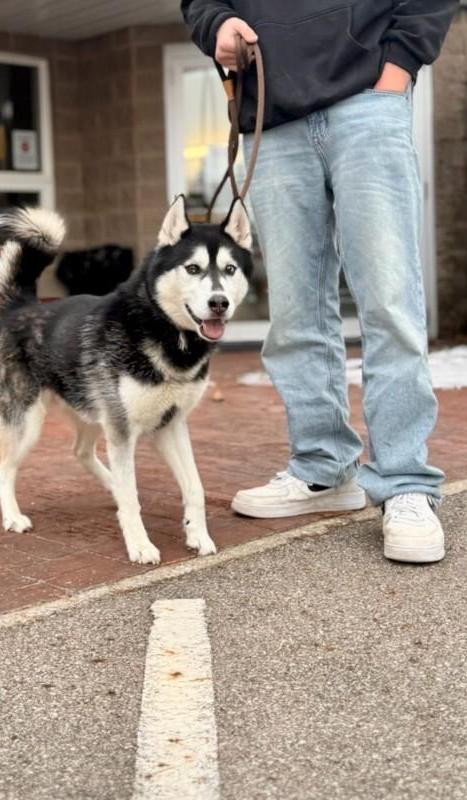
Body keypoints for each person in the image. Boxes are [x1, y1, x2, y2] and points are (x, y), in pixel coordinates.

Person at [181, 0, 459, 563]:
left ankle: (405, 482)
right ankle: (323, 470)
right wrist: (215, 25)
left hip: (368, 102)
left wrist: (396, 68)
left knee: (388, 301)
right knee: (295, 311)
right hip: (274, 120)